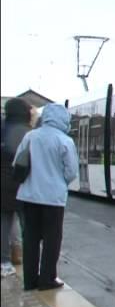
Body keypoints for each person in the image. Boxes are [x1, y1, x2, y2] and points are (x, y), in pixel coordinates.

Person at [13, 104, 79, 291]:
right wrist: (59, 182)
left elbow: (17, 162)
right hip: (53, 199)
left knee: (30, 238)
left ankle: (30, 280)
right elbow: (71, 171)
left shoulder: (30, 136)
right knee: (52, 239)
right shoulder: (65, 140)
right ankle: (47, 279)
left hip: (28, 196)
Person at [1, 98, 33, 278]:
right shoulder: (29, 132)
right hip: (24, 183)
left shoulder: (2, 128)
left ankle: (4, 262)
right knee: (28, 225)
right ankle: (27, 259)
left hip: (2, 184)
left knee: (4, 223)